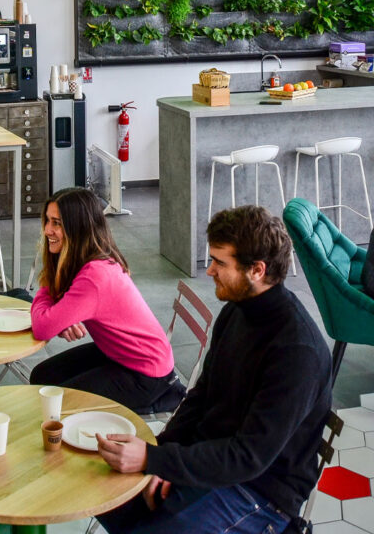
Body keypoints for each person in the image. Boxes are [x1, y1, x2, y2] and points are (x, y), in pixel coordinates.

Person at [95, 205, 332, 534]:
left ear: (257, 270)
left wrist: (155, 461)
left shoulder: (297, 353)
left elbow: (248, 457)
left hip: (260, 494)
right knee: (105, 497)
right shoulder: (237, 311)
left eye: (220, 262)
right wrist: (164, 452)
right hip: (212, 460)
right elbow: (201, 396)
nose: (209, 271)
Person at [29, 187, 182, 414]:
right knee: (42, 376)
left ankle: (160, 399)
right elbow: (55, 316)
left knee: (57, 405)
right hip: (119, 354)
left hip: (145, 372)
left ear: (77, 229)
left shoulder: (95, 276)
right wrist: (64, 316)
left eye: (57, 223)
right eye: (47, 221)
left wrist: (48, 289)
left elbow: (42, 327)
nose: (47, 230)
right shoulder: (89, 258)